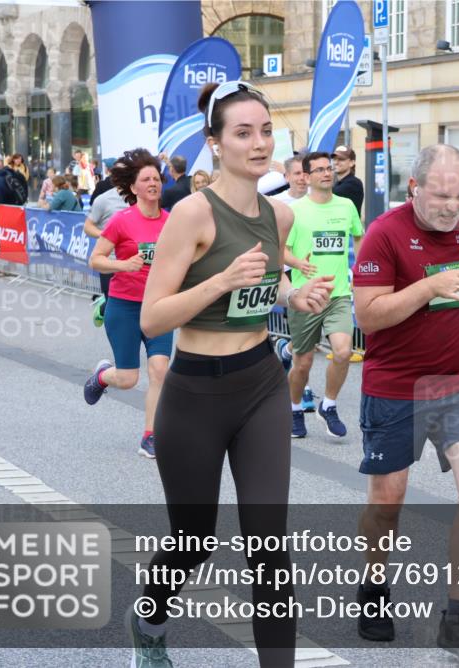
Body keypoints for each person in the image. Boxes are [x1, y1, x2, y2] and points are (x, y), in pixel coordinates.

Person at [131, 80, 332, 668]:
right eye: (243, 132)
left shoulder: (280, 212)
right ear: (215, 143)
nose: (259, 142)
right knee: (193, 539)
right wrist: (219, 281)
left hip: (260, 384)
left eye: (266, 130)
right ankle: (149, 616)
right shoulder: (191, 214)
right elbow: (152, 318)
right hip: (194, 392)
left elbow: (269, 276)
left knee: (269, 547)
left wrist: (293, 297)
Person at [352, 144, 459, 665]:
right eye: (440, 195)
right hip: (394, 382)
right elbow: (369, 317)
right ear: (413, 189)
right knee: (386, 503)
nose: (451, 207)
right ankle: (373, 586)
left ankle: (457, 618)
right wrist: (428, 286)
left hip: (458, 377)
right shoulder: (384, 234)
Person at [83, 149, 173, 460]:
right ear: (133, 188)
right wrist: (124, 265)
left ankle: (151, 434)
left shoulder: (172, 222)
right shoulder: (122, 221)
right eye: (145, 179)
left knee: (160, 369)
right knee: (128, 378)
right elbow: (95, 259)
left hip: (159, 306)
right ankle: (102, 376)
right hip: (125, 305)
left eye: (156, 178)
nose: (153, 183)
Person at [282, 151, 363, 439]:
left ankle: (328, 405)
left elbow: (358, 237)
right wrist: (297, 264)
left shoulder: (346, 206)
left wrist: (362, 270)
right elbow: (282, 250)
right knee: (302, 363)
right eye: (319, 170)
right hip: (307, 296)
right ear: (307, 176)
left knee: (343, 351)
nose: (327, 173)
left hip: (338, 294)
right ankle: (293, 409)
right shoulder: (295, 211)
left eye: (329, 168)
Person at [84, 175, 129, 326]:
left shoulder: (144, 199)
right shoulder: (104, 199)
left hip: (135, 261)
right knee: (114, 307)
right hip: (109, 261)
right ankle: (104, 308)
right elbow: (88, 227)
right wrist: (106, 236)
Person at [331, 145, 363, 218]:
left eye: (341, 159)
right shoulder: (338, 183)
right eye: (334, 159)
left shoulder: (354, 183)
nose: (336, 162)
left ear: (351, 163)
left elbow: (331, 194)